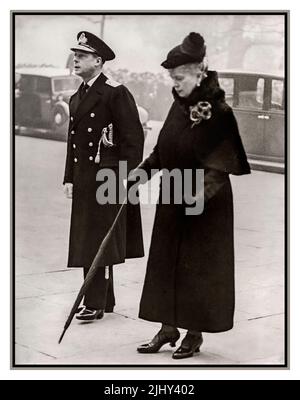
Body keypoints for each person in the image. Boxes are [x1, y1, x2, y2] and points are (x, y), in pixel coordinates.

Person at [132, 32, 251, 359]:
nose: (175, 83)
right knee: (165, 263)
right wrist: (140, 174)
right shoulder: (179, 104)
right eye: (172, 77)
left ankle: (194, 334)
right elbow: (163, 149)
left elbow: (221, 168)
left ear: (200, 72)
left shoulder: (218, 111)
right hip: (173, 196)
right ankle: (167, 328)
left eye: (180, 77)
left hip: (204, 206)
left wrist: (195, 200)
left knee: (196, 269)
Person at [63, 31, 144, 322]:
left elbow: (133, 138)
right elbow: (72, 143)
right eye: (75, 55)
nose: (76, 60)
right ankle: (103, 301)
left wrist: (124, 177)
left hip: (107, 179)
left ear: (98, 61)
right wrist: (69, 177)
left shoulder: (114, 92)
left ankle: (94, 301)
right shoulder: (77, 96)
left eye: (82, 56)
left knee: (99, 238)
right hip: (85, 179)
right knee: (88, 237)